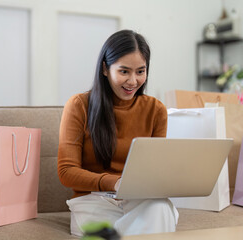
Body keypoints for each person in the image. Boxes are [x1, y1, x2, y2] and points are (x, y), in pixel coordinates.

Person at [57, 29, 178, 237]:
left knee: (160, 207)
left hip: (137, 199)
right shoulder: (79, 105)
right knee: (152, 222)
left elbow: (155, 170)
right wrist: (114, 182)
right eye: (124, 71)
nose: (133, 81)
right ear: (105, 68)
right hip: (93, 200)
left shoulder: (156, 110)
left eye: (140, 71)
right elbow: (66, 171)